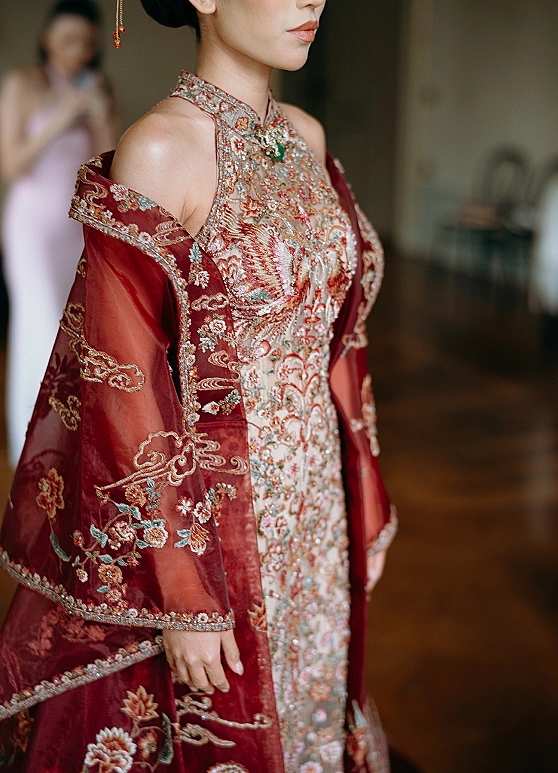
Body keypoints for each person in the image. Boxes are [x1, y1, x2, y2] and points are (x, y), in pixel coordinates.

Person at [0, 0, 406, 771]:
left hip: (317, 498)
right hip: (218, 522)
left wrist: (365, 492)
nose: (312, 0)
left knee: (313, 702)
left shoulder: (306, 135)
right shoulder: (159, 151)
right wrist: (181, 588)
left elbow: (340, 340)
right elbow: (123, 385)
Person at [0, 0, 119, 468]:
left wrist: (100, 113)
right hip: (32, 226)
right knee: (41, 324)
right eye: (68, 39)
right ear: (48, 38)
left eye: (86, 42)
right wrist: (61, 115)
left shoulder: (96, 86)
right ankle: (33, 445)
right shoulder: (23, 84)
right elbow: (12, 165)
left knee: (76, 328)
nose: (78, 50)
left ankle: (71, 443)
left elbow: (109, 166)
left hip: (76, 224)